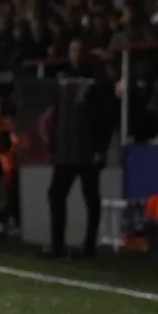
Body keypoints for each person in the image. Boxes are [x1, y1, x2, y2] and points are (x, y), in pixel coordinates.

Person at [42, 41, 117, 259]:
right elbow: (55, 115)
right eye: (72, 50)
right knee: (56, 194)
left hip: (88, 148)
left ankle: (89, 246)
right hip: (65, 149)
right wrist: (52, 146)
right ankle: (57, 245)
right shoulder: (62, 78)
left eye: (79, 50)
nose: (75, 54)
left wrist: (100, 148)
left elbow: (107, 116)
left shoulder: (98, 79)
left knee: (91, 197)